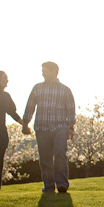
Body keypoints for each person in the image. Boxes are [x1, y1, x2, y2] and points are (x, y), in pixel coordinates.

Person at [22, 61, 76, 193]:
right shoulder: (37, 88)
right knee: (45, 158)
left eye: (45, 71)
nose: (43, 73)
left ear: (54, 72)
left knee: (59, 153)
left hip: (60, 127)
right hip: (42, 127)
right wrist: (25, 123)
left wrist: (71, 128)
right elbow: (30, 106)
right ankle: (49, 186)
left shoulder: (65, 90)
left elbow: (70, 109)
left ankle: (62, 184)